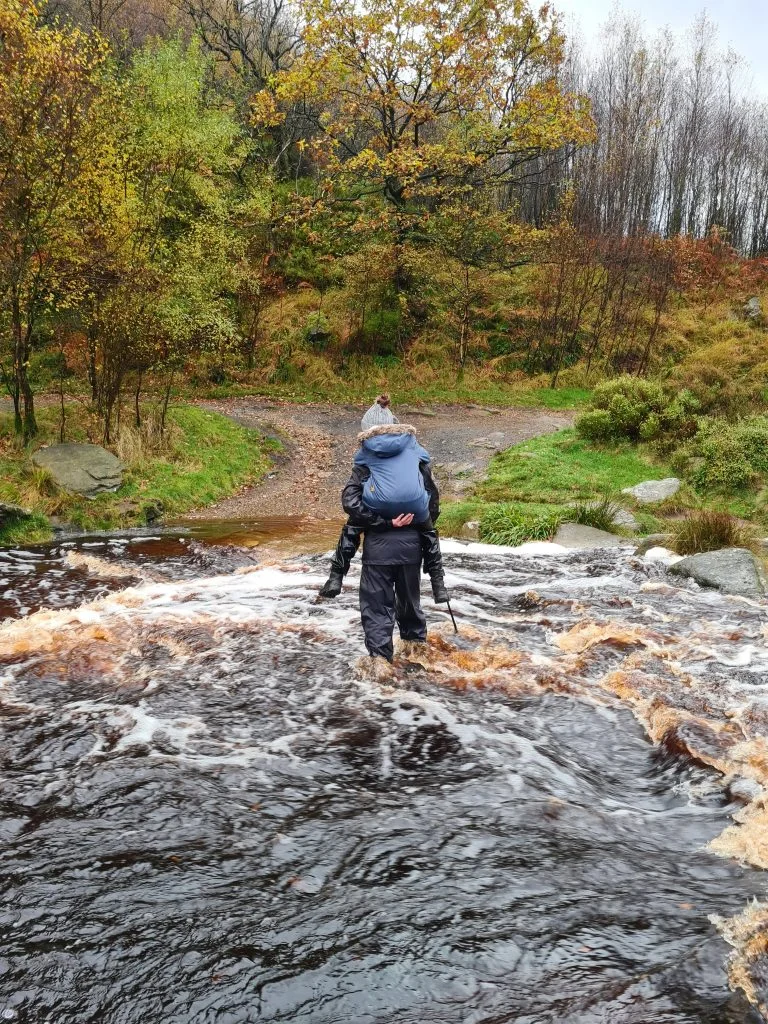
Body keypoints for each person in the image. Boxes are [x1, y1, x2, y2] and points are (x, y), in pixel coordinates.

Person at [319, 421, 449, 671]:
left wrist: (384, 521)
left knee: (377, 608)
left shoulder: (367, 458)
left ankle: (381, 666)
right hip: (411, 550)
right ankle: (416, 653)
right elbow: (432, 501)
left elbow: (350, 501)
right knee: (410, 604)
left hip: (378, 551)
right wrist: (418, 522)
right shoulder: (414, 456)